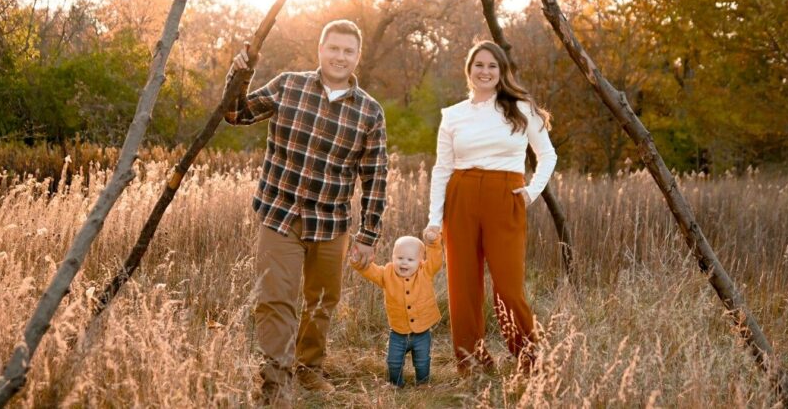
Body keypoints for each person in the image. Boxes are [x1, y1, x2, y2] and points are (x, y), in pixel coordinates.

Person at [224, 20, 388, 404]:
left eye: (348, 51)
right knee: (275, 298)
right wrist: (239, 74)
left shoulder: (370, 111)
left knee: (321, 302)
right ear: (320, 48)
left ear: (357, 56)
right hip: (280, 213)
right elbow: (237, 114)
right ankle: (274, 379)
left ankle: (309, 369)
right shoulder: (288, 85)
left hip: (331, 223)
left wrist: (368, 235)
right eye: (333, 48)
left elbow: (375, 176)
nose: (339, 56)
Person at [422, 40, 557, 375]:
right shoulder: (453, 115)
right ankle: (471, 361)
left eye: (491, 66)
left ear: (501, 71)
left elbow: (548, 156)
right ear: (469, 71)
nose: (485, 71)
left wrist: (530, 193)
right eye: (478, 65)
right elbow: (442, 168)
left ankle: (529, 360)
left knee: (509, 286)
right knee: (463, 284)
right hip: (461, 195)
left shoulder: (521, 108)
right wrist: (434, 219)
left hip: (505, 196)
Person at [350, 235, 443, 387]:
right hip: (398, 333)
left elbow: (436, 261)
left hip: (422, 333)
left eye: (410, 260)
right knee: (393, 361)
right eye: (399, 258)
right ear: (392, 257)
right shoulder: (387, 274)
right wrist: (358, 262)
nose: (404, 262)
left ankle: (423, 384)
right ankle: (396, 385)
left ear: (420, 262)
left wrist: (433, 244)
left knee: (422, 361)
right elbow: (371, 271)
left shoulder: (425, 272)